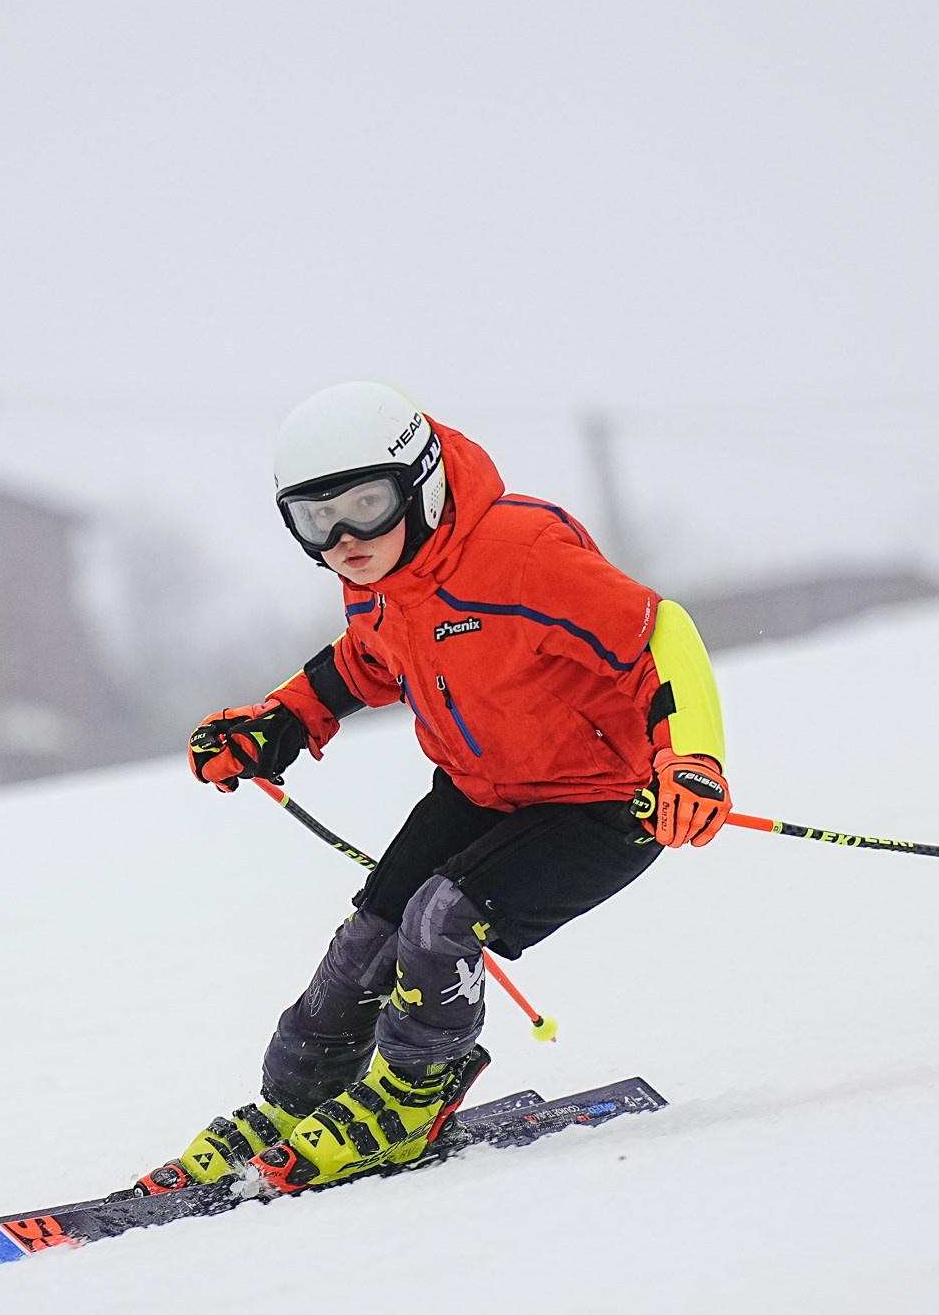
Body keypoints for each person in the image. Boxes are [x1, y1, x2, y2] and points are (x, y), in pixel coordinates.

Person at [146, 382, 731, 1196]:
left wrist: (692, 758)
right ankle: (297, 1102)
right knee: (368, 939)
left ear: (419, 486)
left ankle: (413, 1096)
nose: (345, 539)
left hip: (608, 800)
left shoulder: (520, 553)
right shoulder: (383, 578)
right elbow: (367, 659)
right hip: (482, 789)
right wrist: (279, 721)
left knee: (442, 921)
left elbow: (658, 632)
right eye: (315, 519)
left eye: (367, 505)